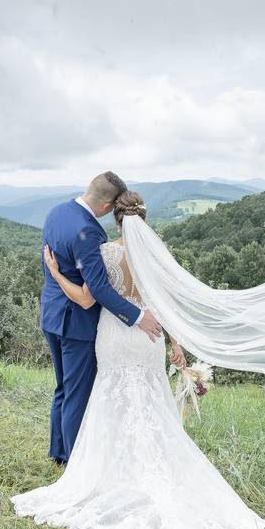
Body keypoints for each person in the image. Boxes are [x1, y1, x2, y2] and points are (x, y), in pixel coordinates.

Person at [12, 190, 265, 529]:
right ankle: (153, 468)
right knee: (151, 400)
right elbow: (164, 304)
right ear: (144, 217)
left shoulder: (106, 252)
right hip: (150, 336)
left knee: (112, 400)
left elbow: (88, 298)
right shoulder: (156, 257)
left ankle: (109, 470)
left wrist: (54, 273)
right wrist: (175, 344)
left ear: (116, 219)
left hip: (113, 335)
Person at [38, 171, 163, 465]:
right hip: (76, 323)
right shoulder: (90, 232)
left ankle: (58, 451)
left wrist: (55, 274)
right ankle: (73, 460)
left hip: (51, 315)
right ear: (107, 207)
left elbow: (59, 268)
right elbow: (97, 289)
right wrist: (136, 316)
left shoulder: (57, 212)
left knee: (63, 388)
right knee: (77, 394)